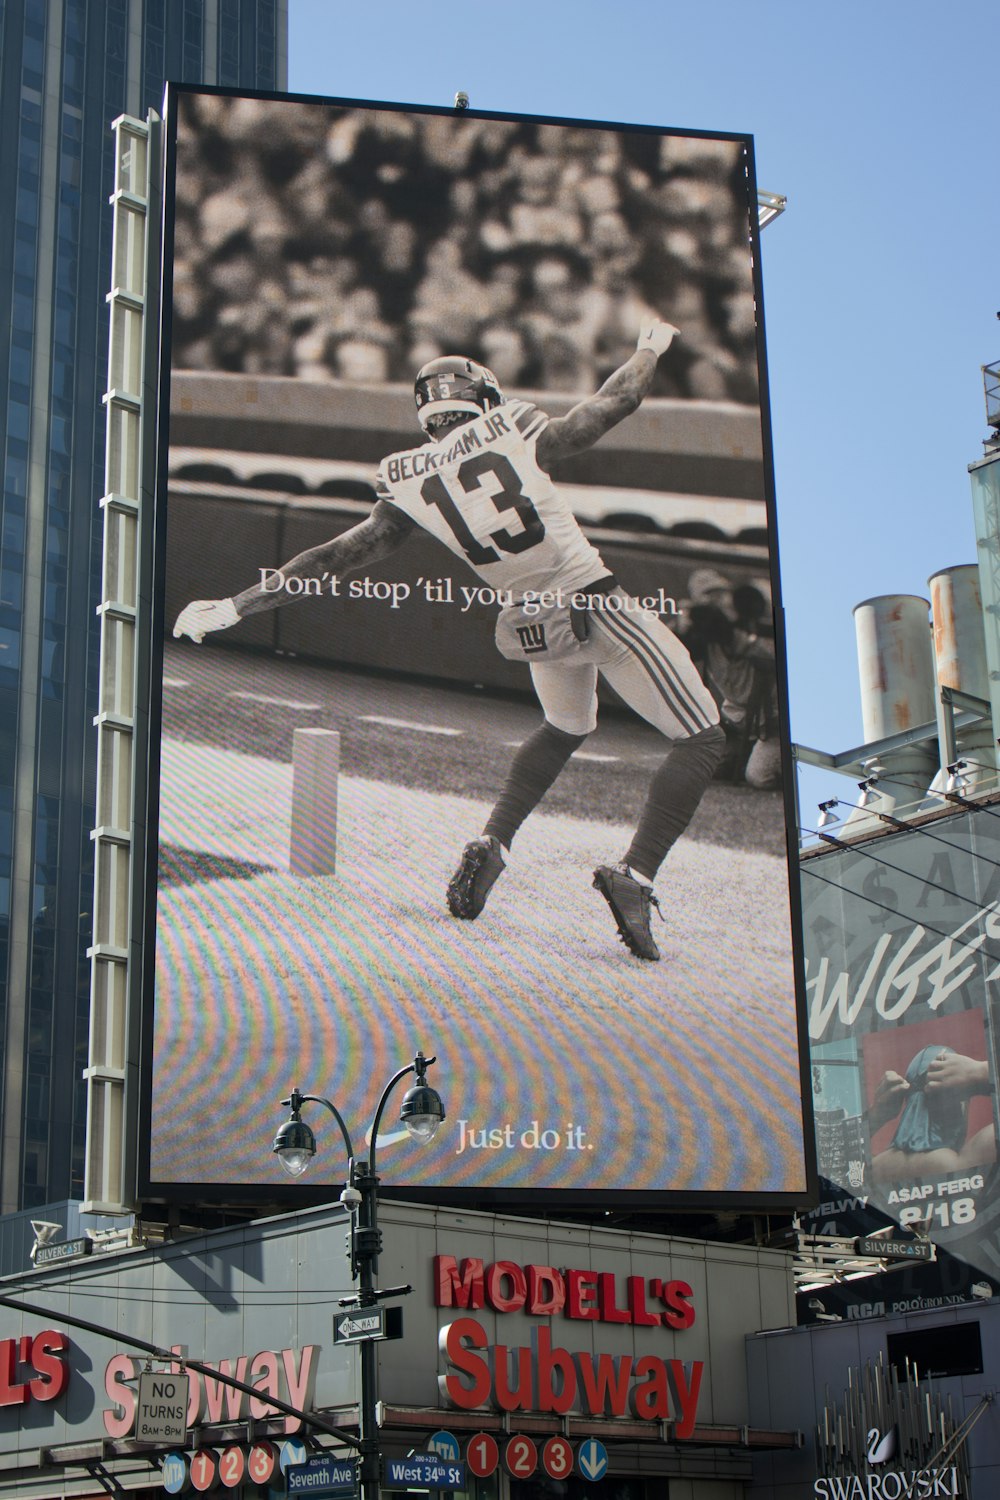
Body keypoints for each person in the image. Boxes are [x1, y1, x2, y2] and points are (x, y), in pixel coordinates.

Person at [173, 320, 726, 961]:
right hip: (593, 601)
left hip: (529, 622)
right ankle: (636, 875)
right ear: (483, 397)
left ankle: (492, 842)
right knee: (705, 738)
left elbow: (334, 558)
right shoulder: (512, 425)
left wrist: (237, 605)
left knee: (566, 726)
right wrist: (650, 348)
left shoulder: (405, 474)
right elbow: (612, 403)